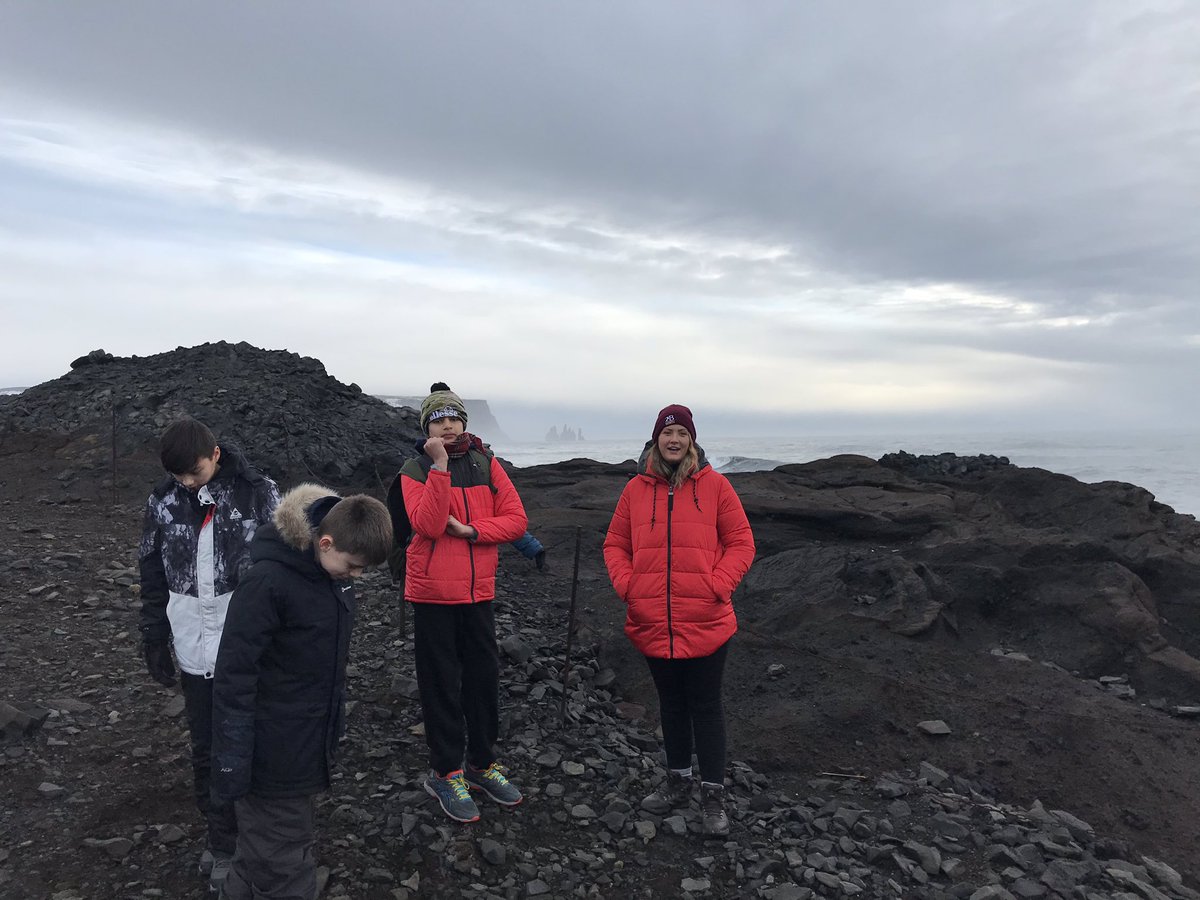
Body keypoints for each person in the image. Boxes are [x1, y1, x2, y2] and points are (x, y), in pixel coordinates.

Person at [210, 485, 392, 900]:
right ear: (324, 542)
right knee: (283, 854)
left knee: (265, 844)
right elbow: (234, 676)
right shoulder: (267, 584)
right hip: (271, 750)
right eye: (352, 566)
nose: (356, 576)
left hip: (307, 739)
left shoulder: (330, 578)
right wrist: (233, 759)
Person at [137, 417, 279, 891]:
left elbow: (285, 571)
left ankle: (261, 839)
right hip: (193, 644)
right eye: (178, 475)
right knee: (206, 747)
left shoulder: (259, 495)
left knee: (253, 743)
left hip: (249, 645)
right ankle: (221, 842)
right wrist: (154, 630)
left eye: (193, 472)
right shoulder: (163, 500)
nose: (185, 482)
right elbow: (151, 566)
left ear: (216, 454)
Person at [602, 404, 755, 836]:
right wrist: (629, 587)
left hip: (706, 617)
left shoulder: (716, 486)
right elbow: (615, 544)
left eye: (681, 434)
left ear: (692, 441)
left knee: (705, 706)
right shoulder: (635, 489)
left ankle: (712, 796)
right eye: (667, 434)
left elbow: (742, 541)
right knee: (670, 705)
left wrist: (718, 584)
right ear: (655, 441)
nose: (674, 441)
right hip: (652, 617)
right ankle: (676, 781)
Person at [388, 383, 528, 822]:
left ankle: (482, 765)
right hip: (432, 593)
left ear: (464, 421)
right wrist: (441, 467)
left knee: (484, 680)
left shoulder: (489, 465)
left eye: (454, 417)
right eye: (438, 418)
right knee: (440, 683)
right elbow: (428, 525)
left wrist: (471, 531)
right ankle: (446, 771)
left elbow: (517, 520)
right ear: (426, 427)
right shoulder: (414, 469)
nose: (447, 424)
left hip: (478, 592)